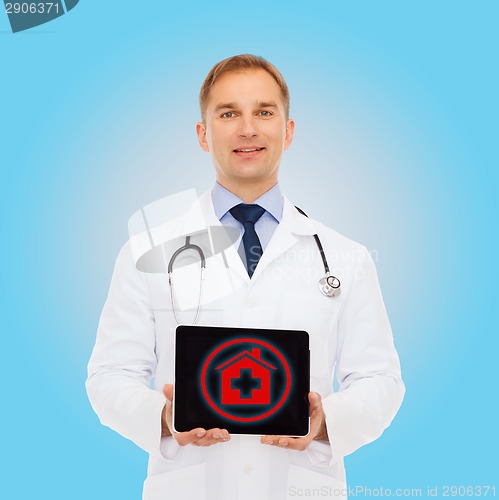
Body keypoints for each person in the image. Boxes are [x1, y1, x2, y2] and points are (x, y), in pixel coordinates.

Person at [86, 54, 405, 500]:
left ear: (288, 131)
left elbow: (380, 380)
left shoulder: (344, 256)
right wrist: (164, 416)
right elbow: (109, 375)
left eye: (264, 112)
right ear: (203, 134)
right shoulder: (147, 252)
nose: (248, 128)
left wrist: (327, 420)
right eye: (229, 113)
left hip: (302, 486)